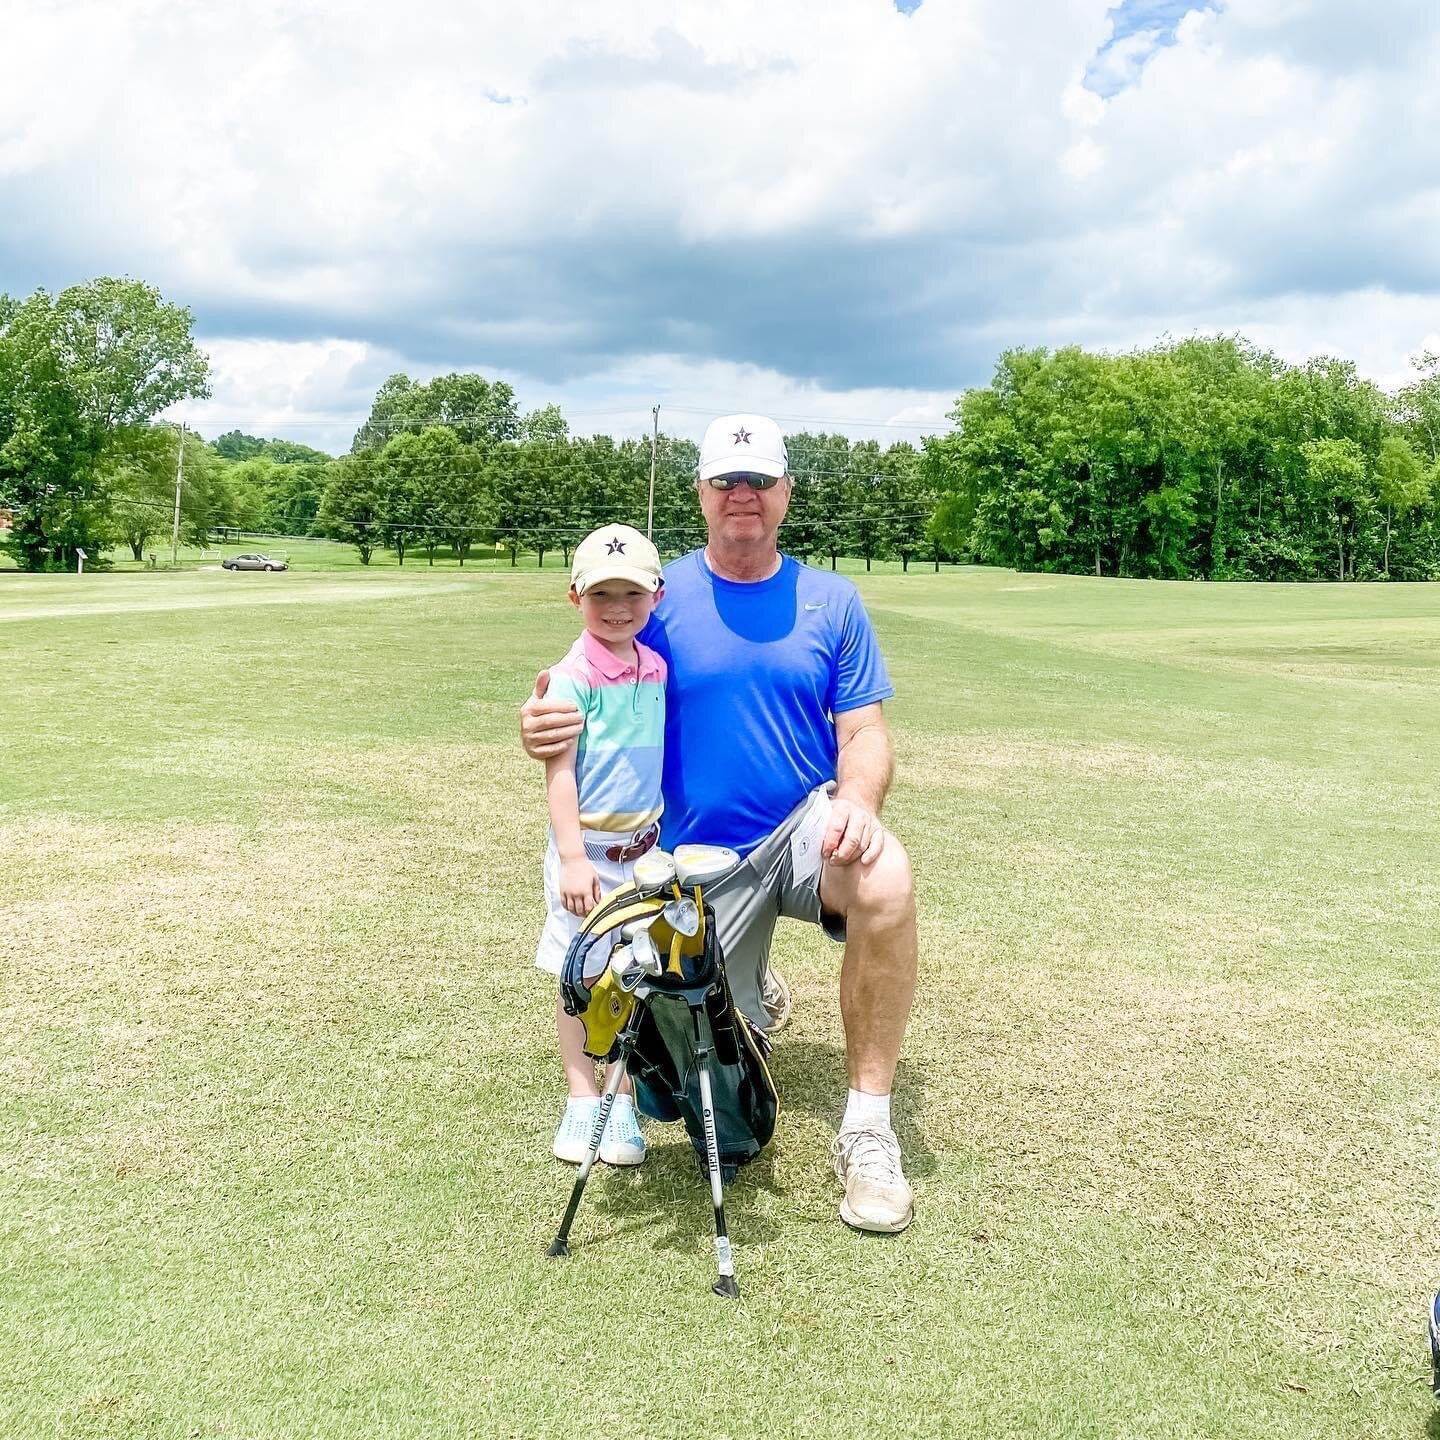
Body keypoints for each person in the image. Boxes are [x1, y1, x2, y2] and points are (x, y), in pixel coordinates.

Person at [522, 415, 918, 1233]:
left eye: (760, 481)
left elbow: (865, 731)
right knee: (715, 1126)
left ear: (786, 493)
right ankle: (750, 983)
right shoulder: (652, 591)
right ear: (700, 494)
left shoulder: (832, 600)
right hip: (696, 857)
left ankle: (868, 1129)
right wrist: (537, 728)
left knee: (888, 876)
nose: (744, 496)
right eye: (726, 482)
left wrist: (860, 800)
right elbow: (579, 679)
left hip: (804, 823)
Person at [532, 523, 667, 1170]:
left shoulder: (656, 665)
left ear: (657, 597)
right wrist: (574, 857)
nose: (618, 608)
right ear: (575, 597)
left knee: (631, 975)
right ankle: (583, 1097)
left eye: (632, 594)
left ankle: (622, 1097)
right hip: (587, 855)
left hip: (643, 854)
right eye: (601, 595)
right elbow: (559, 772)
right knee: (580, 976)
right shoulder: (569, 678)